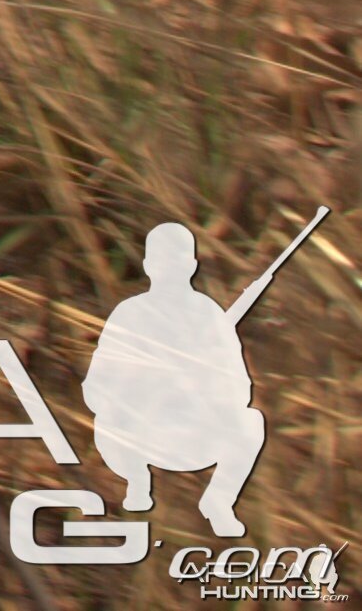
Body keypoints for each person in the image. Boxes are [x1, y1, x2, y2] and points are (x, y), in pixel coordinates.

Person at [85, 220, 274, 535]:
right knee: (107, 420)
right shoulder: (129, 314)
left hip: (195, 434)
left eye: (178, 260)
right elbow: (95, 387)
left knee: (252, 421)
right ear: (148, 265)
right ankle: (137, 483)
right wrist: (143, 387)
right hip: (139, 436)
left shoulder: (211, 317)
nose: (169, 269)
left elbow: (241, 388)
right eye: (162, 260)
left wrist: (205, 382)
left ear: (191, 265)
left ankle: (219, 501)